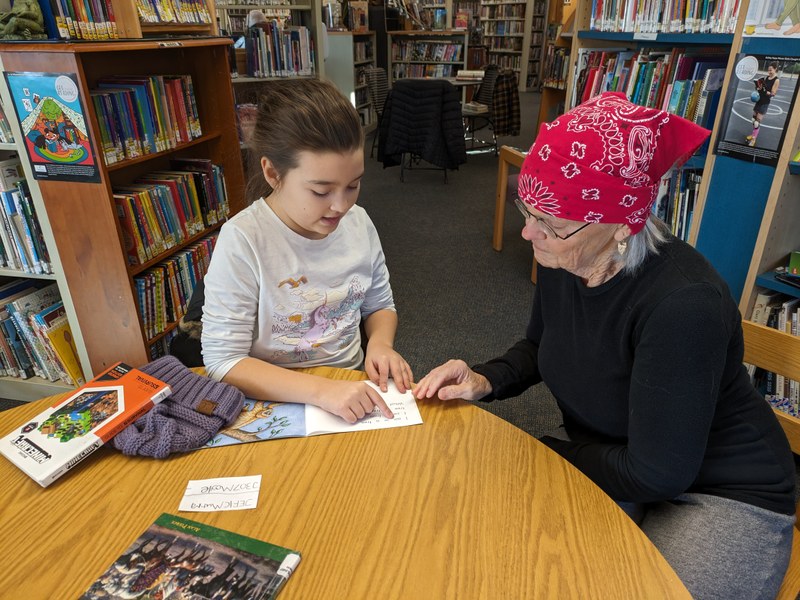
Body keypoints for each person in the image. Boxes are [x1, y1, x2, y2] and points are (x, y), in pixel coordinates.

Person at [414, 91, 796, 599]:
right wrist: (487, 378)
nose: (529, 231)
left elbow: (658, 474)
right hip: (615, 455)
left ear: (621, 223)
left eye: (549, 221)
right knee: (509, 560)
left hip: (719, 489)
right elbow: (542, 344)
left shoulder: (683, 305)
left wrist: (550, 451)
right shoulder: (567, 256)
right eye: (526, 209)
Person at [202, 78, 412, 424]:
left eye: (353, 185)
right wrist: (321, 391)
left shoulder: (358, 223)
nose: (341, 206)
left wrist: (380, 345)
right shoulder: (245, 240)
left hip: (349, 388)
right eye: (320, 191)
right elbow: (223, 361)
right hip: (276, 399)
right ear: (272, 173)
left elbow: (380, 305)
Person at [746, 62, 780, 148]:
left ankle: (753, 139)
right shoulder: (766, 78)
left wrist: (765, 91)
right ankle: (753, 134)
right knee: (753, 120)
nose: (769, 71)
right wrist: (758, 88)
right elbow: (761, 88)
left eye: (771, 70)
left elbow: (773, 94)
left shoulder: (776, 80)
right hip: (759, 100)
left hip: (765, 102)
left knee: (757, 122)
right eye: (768, 70)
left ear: (775, 69)